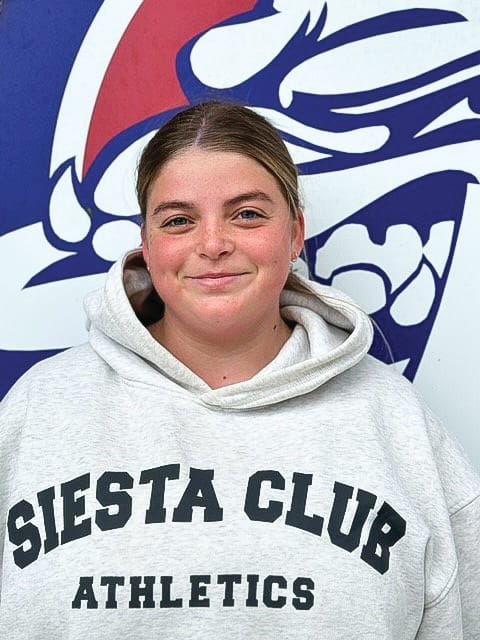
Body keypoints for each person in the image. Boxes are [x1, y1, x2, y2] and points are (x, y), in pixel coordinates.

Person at [0, 101, 479, 640]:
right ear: (147, 246)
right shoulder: (39, 409)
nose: (213, 245)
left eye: (247, 214)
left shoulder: (394, 421)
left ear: (295, 233)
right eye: (179, 221)